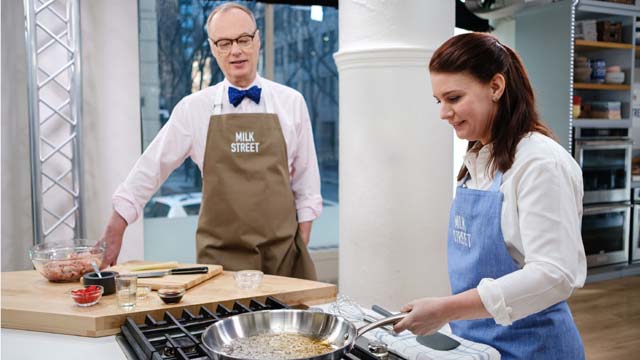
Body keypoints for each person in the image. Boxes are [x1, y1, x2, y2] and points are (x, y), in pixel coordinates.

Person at [393, 33, 586, 359]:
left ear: (496, 87)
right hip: (478, 346)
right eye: (438, 101)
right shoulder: (475, 164)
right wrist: (447, 312)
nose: (443, 112)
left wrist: (446, 309)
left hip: (534, 349)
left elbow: (555, 275)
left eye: (453, 98)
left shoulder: (540, 163)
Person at [100, 2, 322, 280]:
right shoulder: (193, 108)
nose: (236, 51)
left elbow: (306, 183)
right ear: (213, 48)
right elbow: (151, 167)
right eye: (225, 43)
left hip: (283, 257)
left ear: (257, 39)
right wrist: (117, 223)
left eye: (243, 39)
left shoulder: (292, 102)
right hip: (220, 262)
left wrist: (300, 241)